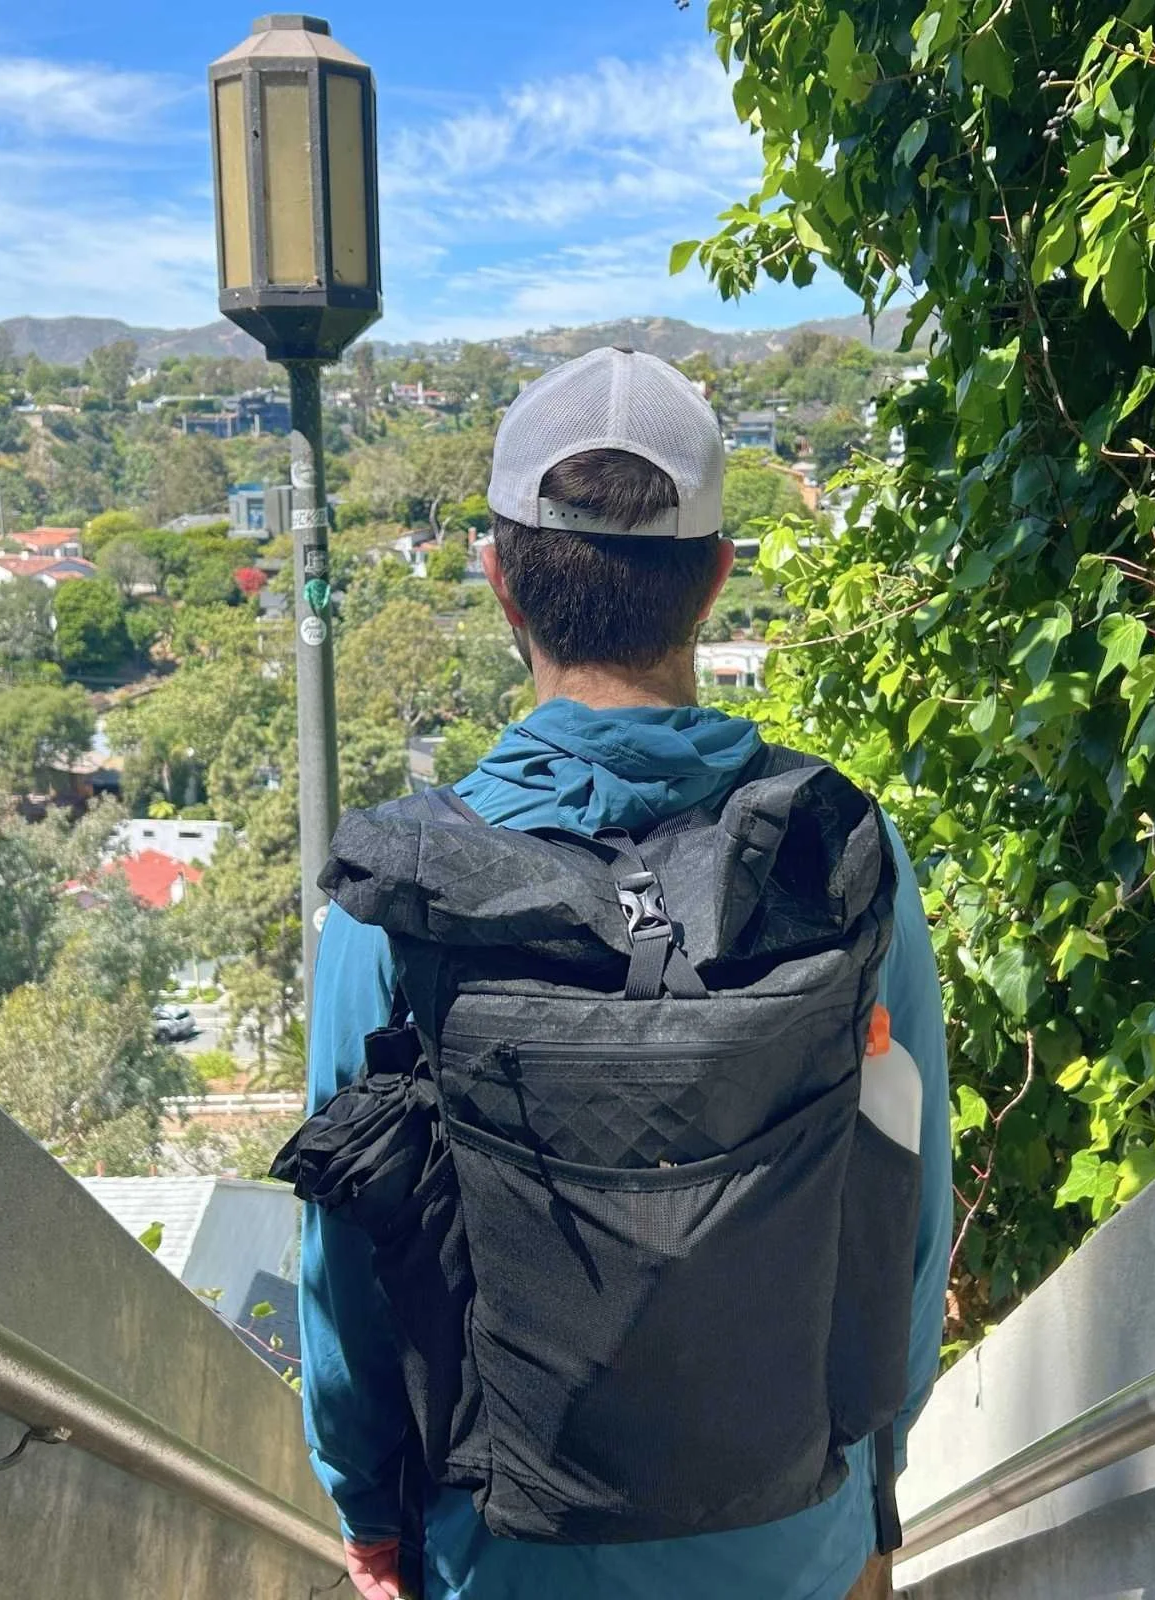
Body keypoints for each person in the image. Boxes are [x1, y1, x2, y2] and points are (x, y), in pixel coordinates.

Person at [294, 347, 950, 1600]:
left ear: (500, 584)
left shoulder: (397, 902)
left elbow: (350, 1265)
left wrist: (370, 1515)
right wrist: (874, 1488)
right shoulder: (839, 854)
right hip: (794, 1544)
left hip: (501, 1560)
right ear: (714, 579)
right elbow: (907, 1199)